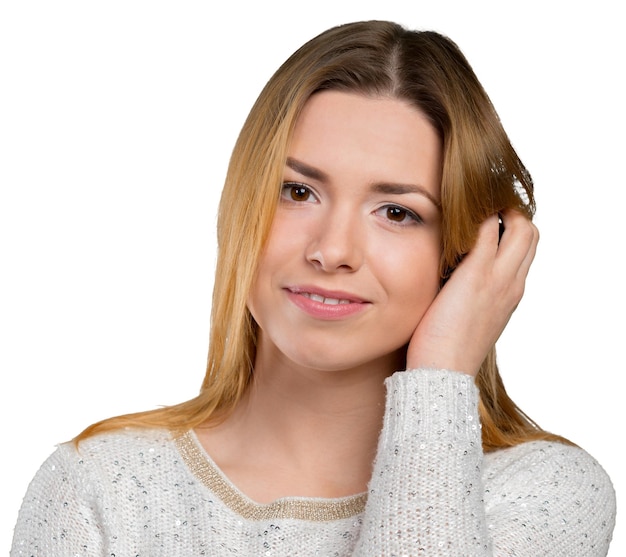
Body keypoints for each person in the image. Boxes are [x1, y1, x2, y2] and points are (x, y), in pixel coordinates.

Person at [11, 20, 616, 556]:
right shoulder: (98, 489)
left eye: (398, 212)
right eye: (298, 192)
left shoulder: (544, 492)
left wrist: (439, 380)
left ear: (468, 254)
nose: (331, 251)